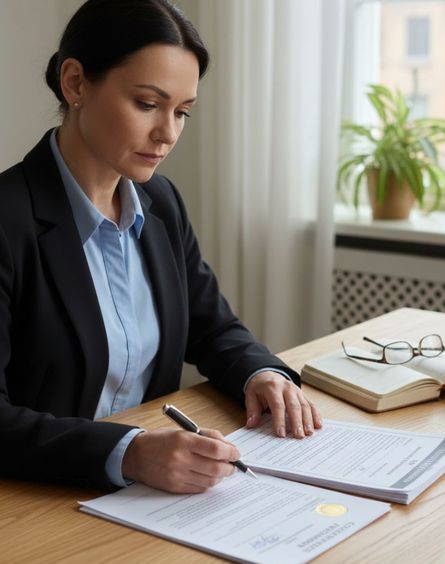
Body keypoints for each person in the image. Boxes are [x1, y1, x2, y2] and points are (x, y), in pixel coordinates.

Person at [0, 0, 321, 494]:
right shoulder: (8, 219)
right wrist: (128, 452)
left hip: (152, 499)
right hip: (38, 499)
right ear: (76, 83)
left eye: (182, 111)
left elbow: (212, 327)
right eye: (148, 104)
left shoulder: (160, 202)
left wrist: (260, 373)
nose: (167, 133)